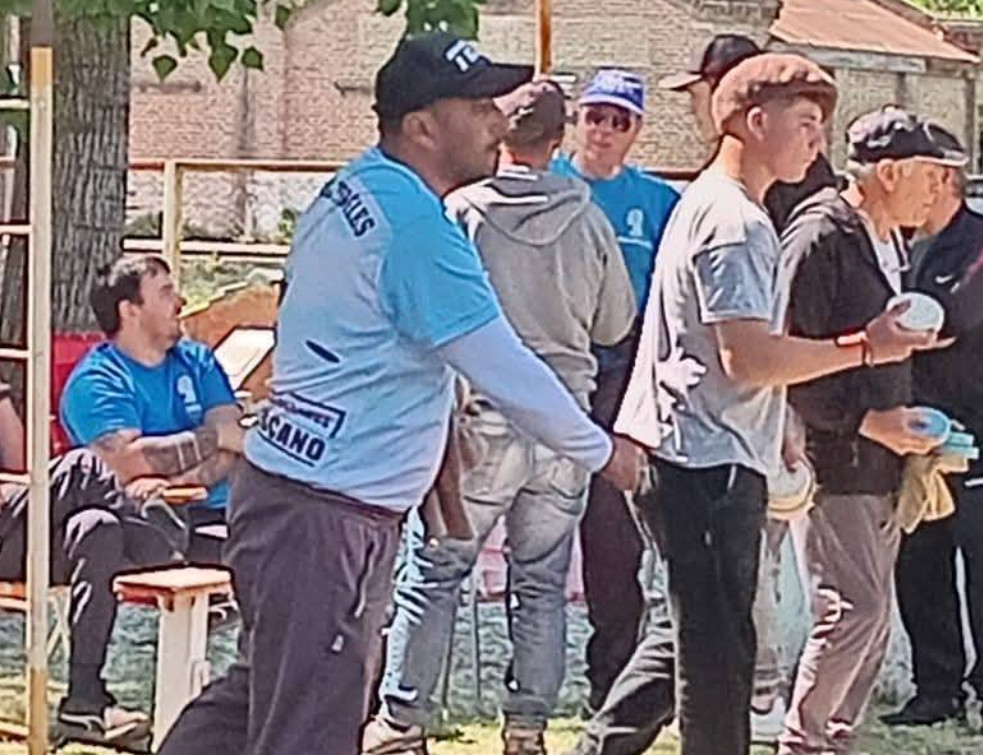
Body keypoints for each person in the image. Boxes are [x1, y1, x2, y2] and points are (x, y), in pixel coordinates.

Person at [155, 33, 643, 755]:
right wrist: (607, 454)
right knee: (307, 725)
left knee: (258, 698)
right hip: (326, 516)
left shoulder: (354, 188)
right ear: (421, 126)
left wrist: (427, 428)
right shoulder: (417, 229)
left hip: (294, 496)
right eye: (477, 107)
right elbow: (506, 369)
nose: (497, 120)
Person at [577, 54, 941, 755]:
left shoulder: (712, 202)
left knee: (689, 633)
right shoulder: (736, 221)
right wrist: (867, 345)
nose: (816, 140)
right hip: (704, 462)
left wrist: (779, 422)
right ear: (753, 121)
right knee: (718, 664)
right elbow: (749, 357)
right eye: (804, 122)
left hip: (695, 449)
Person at [363, 78, 637, 755]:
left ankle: (403, 719)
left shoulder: (462, 212)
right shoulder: (589, 219)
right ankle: (527, 726)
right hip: (565, 420)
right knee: (541, 581)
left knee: (435, 572)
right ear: (559, 139)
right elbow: (615, 323)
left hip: (479, 415)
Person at [777, 107, 962, 755]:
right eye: (928, 173)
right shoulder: (821, 237)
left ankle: (832, 738)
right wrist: (869, 420)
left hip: (881, 458)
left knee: (873, 615)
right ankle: (804, 741)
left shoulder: (887, 239)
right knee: (852, 608)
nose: (937, 188)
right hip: (834, 460)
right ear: (887, 173)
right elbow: (788, 361)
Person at [551, 68, 679, 714]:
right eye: (594, 116)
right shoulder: (547, 184)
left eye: (618, 120)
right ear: (577, 120)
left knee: (611, 532)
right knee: (538, 523)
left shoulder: (656, 201)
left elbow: (671, 294)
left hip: (622, 370)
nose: (603, 130)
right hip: (551, 362)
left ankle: (611, 678)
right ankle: (530, 683)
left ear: (636, 130)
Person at [0, 382, 179, 748]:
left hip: (14, 529)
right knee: (83, 465)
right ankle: (165, 548)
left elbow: (19, 466)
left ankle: (84, 702)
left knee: (97, 528)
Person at [882, 125, 983, 728]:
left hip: (973, 429)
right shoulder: (890, 243)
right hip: (912, 429)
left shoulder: (976, 241)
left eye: (913, 173)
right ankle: (936, 689)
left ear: (943, 178)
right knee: (918, 563)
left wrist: (891, 330)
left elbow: (945, 320)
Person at [60, 255, 244, 566]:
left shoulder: (198, 361)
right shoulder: (97, 381)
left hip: (225, 515)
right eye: (166, 292)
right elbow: (123, 462)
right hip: (144, 530)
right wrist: (214, 438)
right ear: (130, 310)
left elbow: (235, 439)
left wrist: (170, 486)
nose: (181, 302)